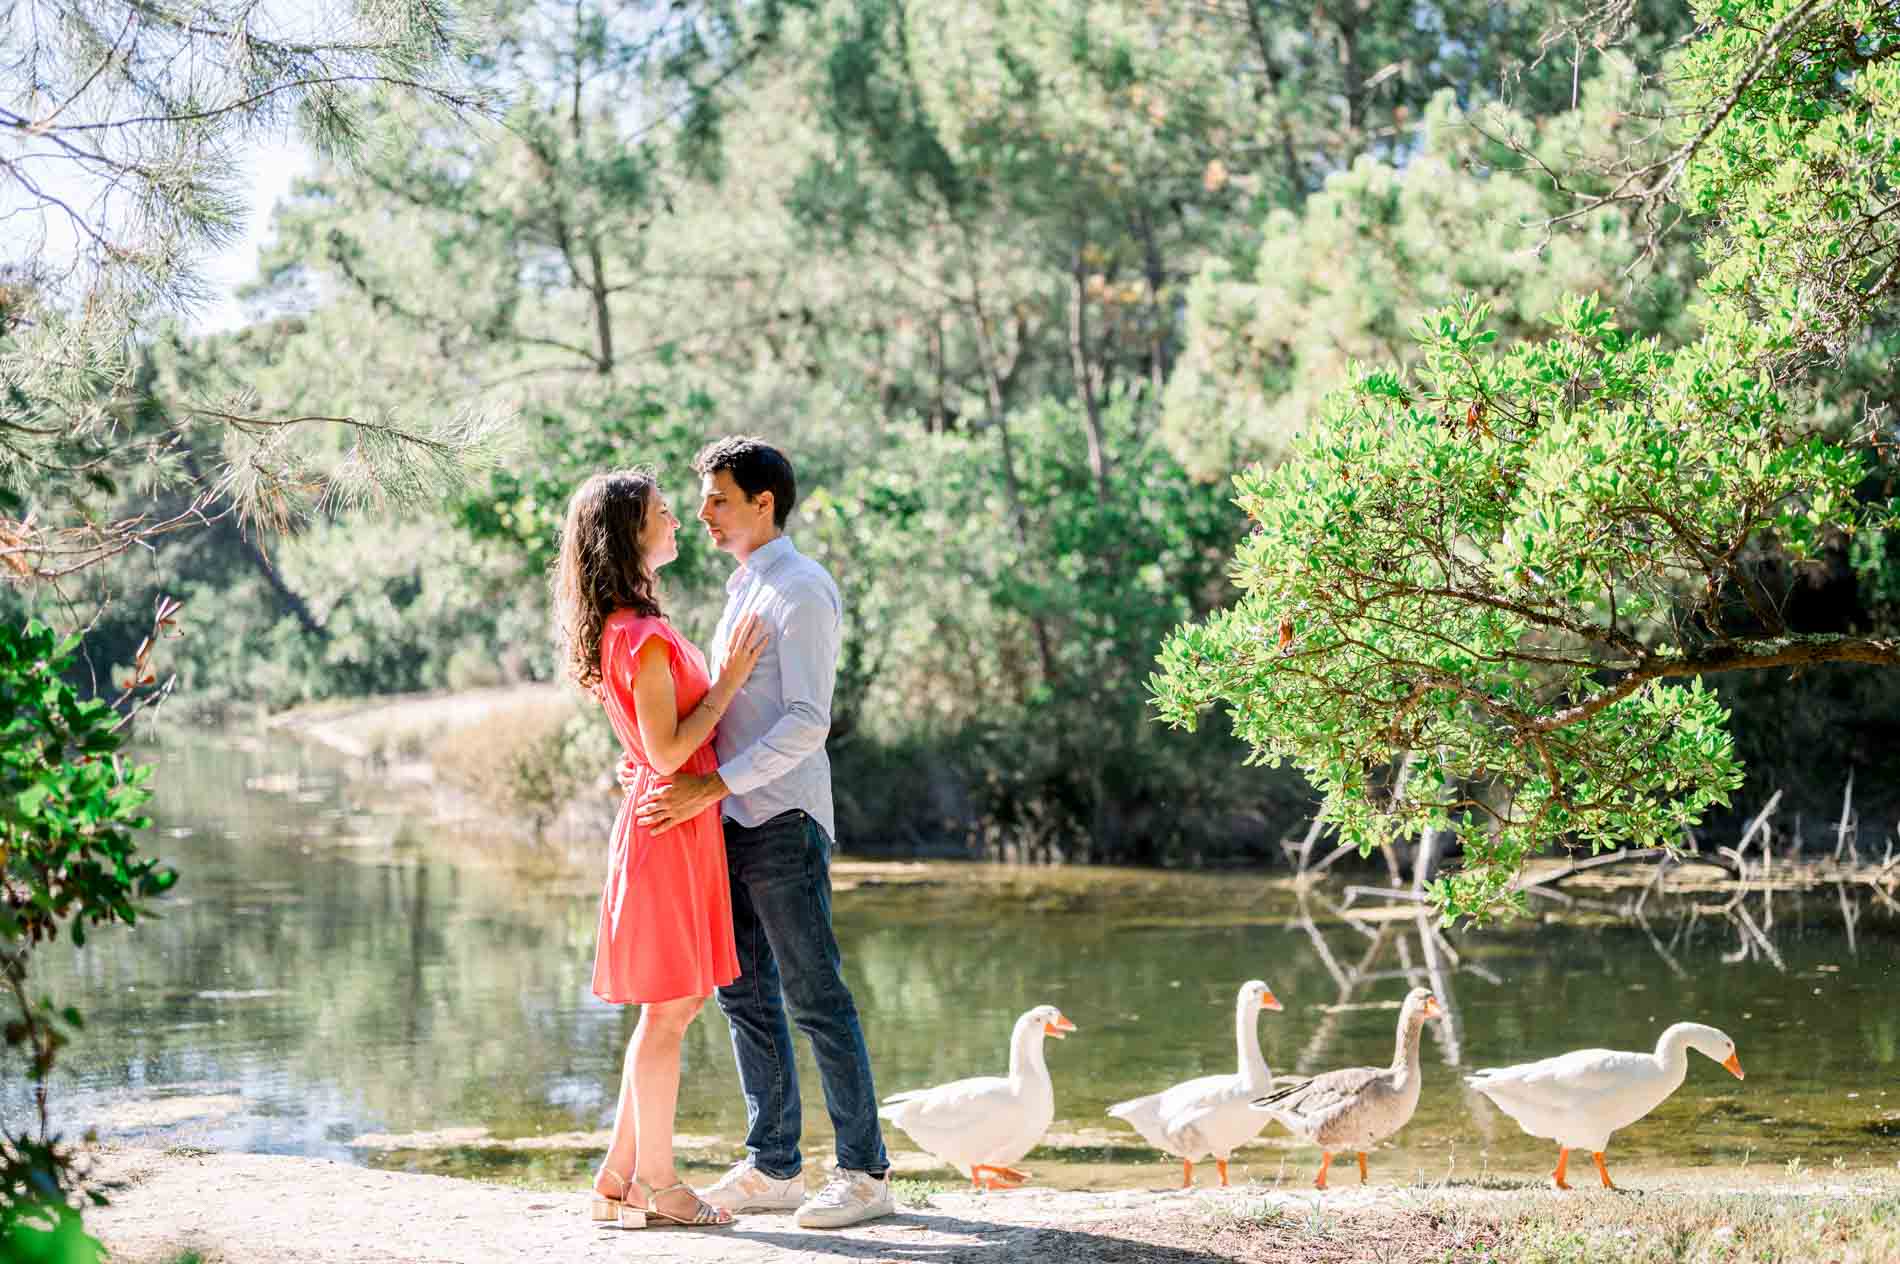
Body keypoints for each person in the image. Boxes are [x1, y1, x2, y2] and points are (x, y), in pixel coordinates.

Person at [630, 436, 895, 1229]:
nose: (703, 513)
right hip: (726, 820)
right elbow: (722, 710)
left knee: (816, 996)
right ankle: (776, 1166)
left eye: (716, 498)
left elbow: (809, 723)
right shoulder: (745, 586)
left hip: (780, 818)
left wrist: (713, 783)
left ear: (762, 503)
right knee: (744, 996)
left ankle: (866, 1173)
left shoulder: (802, 590)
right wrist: (663, 775)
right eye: (702, 500)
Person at [552, 469, 767, 1230]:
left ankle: (618, 1176)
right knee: (672, 1009)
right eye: (662, 512)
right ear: (629, 534)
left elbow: (651, 748)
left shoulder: (634, 623)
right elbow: (672, 751)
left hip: (674, 825)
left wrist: (650, 756)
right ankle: (659, 1183)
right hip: (668, 828)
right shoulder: (639, 634)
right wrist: (732, 682)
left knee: (672, 1008)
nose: (678, 518)